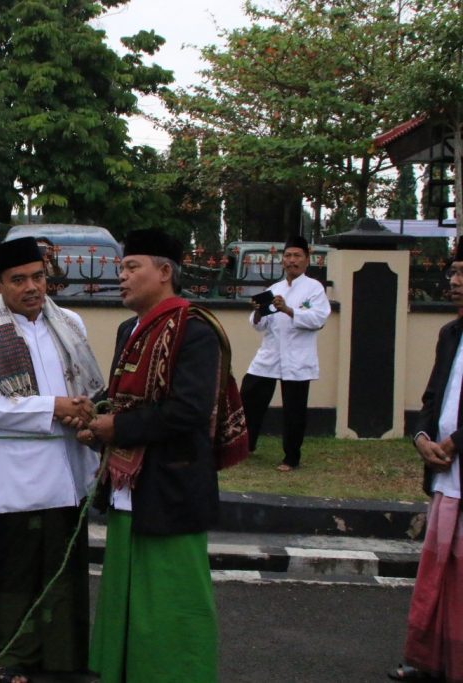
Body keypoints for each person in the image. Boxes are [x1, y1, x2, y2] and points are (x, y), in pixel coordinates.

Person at [79, 228, 247, 683]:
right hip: (126, 483)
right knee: (125, 591)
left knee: (173, 599)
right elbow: (119, 396)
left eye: (133, 267)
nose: (123, 276)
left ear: (165, 272)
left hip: (170, 485)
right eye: (121, 267)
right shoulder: (127, 328)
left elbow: (190, 409)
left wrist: (120, 427)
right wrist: (92, 413)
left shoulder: (195, 329)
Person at [0, 236, 104, 683]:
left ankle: (64, 656)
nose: (31, 287)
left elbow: (89, 385)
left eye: (38, 276)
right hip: (21, 474)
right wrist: (54, 408)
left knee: (66, 567)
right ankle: (11, 657)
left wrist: (85, 410)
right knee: (17, 570)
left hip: (70, 466)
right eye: (18, 279)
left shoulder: (71, 322)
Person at [388, 244, 463, 682]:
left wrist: (456, 442)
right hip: (445, 474)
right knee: (440, 573)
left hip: (454, 459)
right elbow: (432, 398)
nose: (453, 281)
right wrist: (421, 437)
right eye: (453, 272)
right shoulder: (450, 333)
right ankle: (432, 660)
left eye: (461, 274)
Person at [240, 234, 331, 471]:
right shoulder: (274, 288)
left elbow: (318, 319)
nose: (292, 260)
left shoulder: (314, 289)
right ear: (283, 260)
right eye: (288, 256)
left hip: (297, 357)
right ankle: (244, 446)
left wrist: (289, 310)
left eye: (297, 256)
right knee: (249, 397)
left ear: (306, 260)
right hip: (269, 354)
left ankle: (291, 457)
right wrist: (259, 312)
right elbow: (259, 324)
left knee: (294, 409)